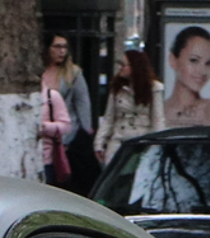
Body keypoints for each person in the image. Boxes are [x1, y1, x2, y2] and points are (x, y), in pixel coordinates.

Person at [42, 35, 95, 191]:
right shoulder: (40, 71)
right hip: (44, 134)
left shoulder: (73, 73)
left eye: (64, 47)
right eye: (57, 47)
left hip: (67, 134)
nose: (61, 51)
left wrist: (87, 129)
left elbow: (82, 101)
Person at [94, 49, 164, 166]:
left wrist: (158, 147)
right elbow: (109, 118)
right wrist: (99, 143)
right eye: (119, 64)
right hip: (118, 142)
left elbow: (158, 120)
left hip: (141, 143)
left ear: (135, 67)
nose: (120, 68)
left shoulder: (154, 88)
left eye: (123, 65)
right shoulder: (117, 87)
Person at [163, 25, 210, 128]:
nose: (203, 71)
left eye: (209, 63)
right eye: (194, 60)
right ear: (173, 60)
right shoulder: (157, 110)